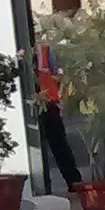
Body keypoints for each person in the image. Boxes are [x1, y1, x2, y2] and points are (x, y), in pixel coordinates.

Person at [32, 41, 83, 189]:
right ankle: (70, 181)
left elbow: (56, 75)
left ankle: (73, 181)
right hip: (39, 104)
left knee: (58, 144)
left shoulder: (45, 50)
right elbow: (56, 74)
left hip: (48, 103)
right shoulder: (42, 51)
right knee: (55, 145)